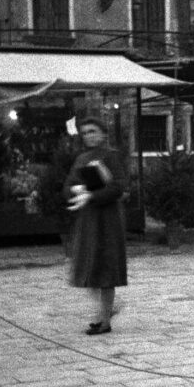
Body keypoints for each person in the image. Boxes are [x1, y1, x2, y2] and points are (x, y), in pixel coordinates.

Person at [64, 117, 128, 335]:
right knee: (88, 268)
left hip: (107, 221)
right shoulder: (82, 158)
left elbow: (118, 187)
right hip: (89, 221)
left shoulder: (111, 156)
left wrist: (93, 194)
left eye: (93, 131)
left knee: (106, 269)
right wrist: (79, 190)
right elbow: (69, 185)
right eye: (85, 133)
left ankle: (105, 322)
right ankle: (106, 311)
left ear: (102, 133)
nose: (89, 136)